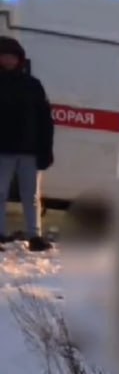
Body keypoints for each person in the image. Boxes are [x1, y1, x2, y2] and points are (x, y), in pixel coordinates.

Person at [0, 36, 55, 252]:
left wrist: (46, 149)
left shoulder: (32, 85)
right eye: (3, 56)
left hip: (29, 149)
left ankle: (35, 236)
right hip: (2, 149)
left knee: (31, 195)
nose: (7, 60)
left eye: (11, 56)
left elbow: (45, 119)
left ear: (19, 59)